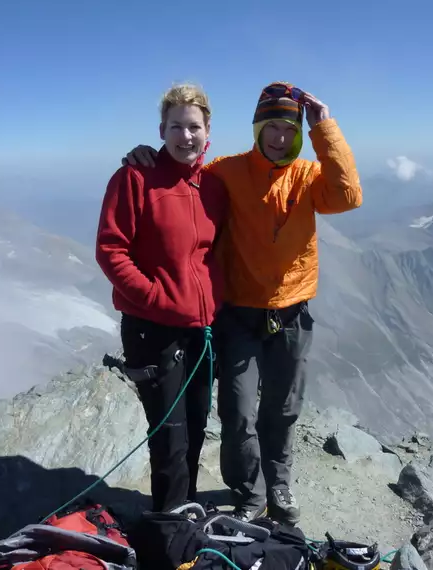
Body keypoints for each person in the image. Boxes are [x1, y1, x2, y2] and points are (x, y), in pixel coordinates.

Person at [121, 81, 363, 525]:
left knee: (284, 408)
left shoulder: (310, 177)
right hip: (239, 314)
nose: (279, 137)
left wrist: (323, 127)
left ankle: (280, 485)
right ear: (257, 130)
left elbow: (348, 196)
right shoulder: (226, 172)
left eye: (288, 130)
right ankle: (249, 491)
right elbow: (183, 172)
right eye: (271, 127)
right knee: (236, 410)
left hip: (292, 312)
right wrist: (146, 155)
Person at [95, 84, 229, 513]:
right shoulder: (134, 178)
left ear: (208, 131)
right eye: (176, 127)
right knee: (169, 435)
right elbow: (111, 250)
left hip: (201, 329)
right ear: (162, 130)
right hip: (153, 331)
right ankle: (171, 534)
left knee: (194, 425)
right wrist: (155, 298)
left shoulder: (213, 185)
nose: (185, 136)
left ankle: (184, 513)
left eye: (194, 127)